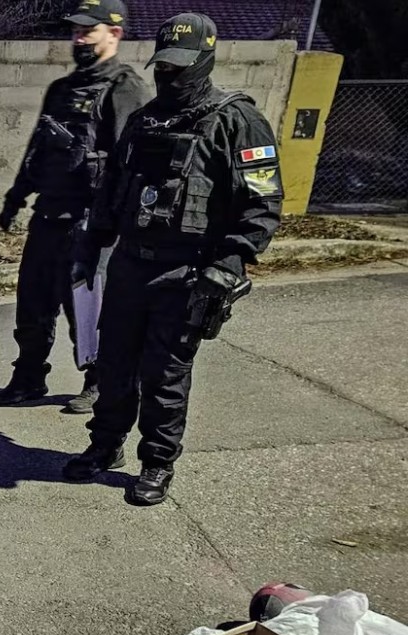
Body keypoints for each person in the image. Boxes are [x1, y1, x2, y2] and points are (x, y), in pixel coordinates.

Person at [63, 12, 282, 505]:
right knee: (114, 364)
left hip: (187, 271)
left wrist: (230, 262)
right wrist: (90, 246)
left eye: (180, 67)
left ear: (205, 61)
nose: (169, 75)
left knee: (164, 374)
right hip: (130, 265)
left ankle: (157, 462)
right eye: (163, 65)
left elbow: (263, 203)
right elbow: (114, 191)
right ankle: (105, 445)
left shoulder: (238, 121)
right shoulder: (144, 121)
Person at [0, 0, 150, 413]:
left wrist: (113, 221)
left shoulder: (125, 88)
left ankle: (97, 380)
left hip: (90, 221)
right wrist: (15, 198)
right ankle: (28, 377)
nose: (79, 39)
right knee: (33, 301)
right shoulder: (61, 90)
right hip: (49, 214)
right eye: (76, 31)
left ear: (114, 34)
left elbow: (130, 163)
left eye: (88, 31)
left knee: (88, 307)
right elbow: (37, 150)